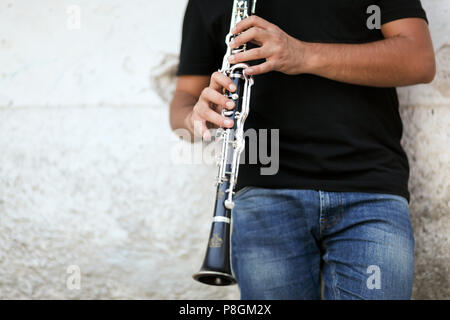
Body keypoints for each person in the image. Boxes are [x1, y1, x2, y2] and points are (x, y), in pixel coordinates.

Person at [170, 0, 435, 299]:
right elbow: (184, 99)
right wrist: (199, 117)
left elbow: (419, 60)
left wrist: (301, 54)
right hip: (263, 196)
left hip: (370, 192)